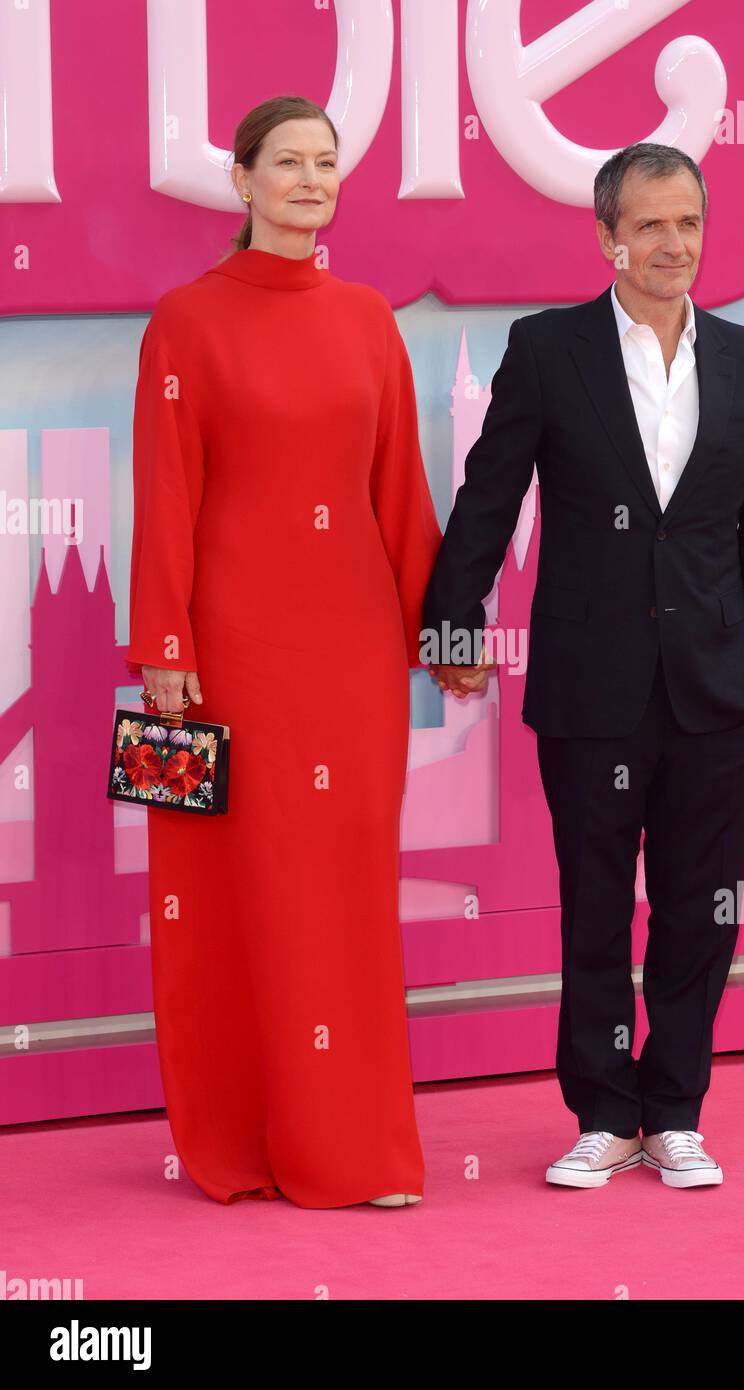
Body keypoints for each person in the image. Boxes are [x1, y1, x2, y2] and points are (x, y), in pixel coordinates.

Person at [423, 142, 744, 1190]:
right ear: (607, 236)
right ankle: (602, 1109)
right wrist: (454, 622)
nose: (671, 244)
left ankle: (675, 1107)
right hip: (592, 684)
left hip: (722, 689)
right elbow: (489, 497)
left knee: (699, 903)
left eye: (687, 223)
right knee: (594, 901)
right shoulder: (549, 351)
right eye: (649, 225)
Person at [125, 94, 441, 1209]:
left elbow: (400, 492)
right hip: (228, 659)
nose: (311, 180)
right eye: (288, 163)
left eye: (326, 163)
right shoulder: (186, 320)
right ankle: (242, 1138)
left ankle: (353, 1149)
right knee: (237, 889)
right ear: (244, 183)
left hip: (353, 657)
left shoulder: (368, 318)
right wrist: (163, 642)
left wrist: (439, 627)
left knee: (347, 890)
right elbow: (167, 491)